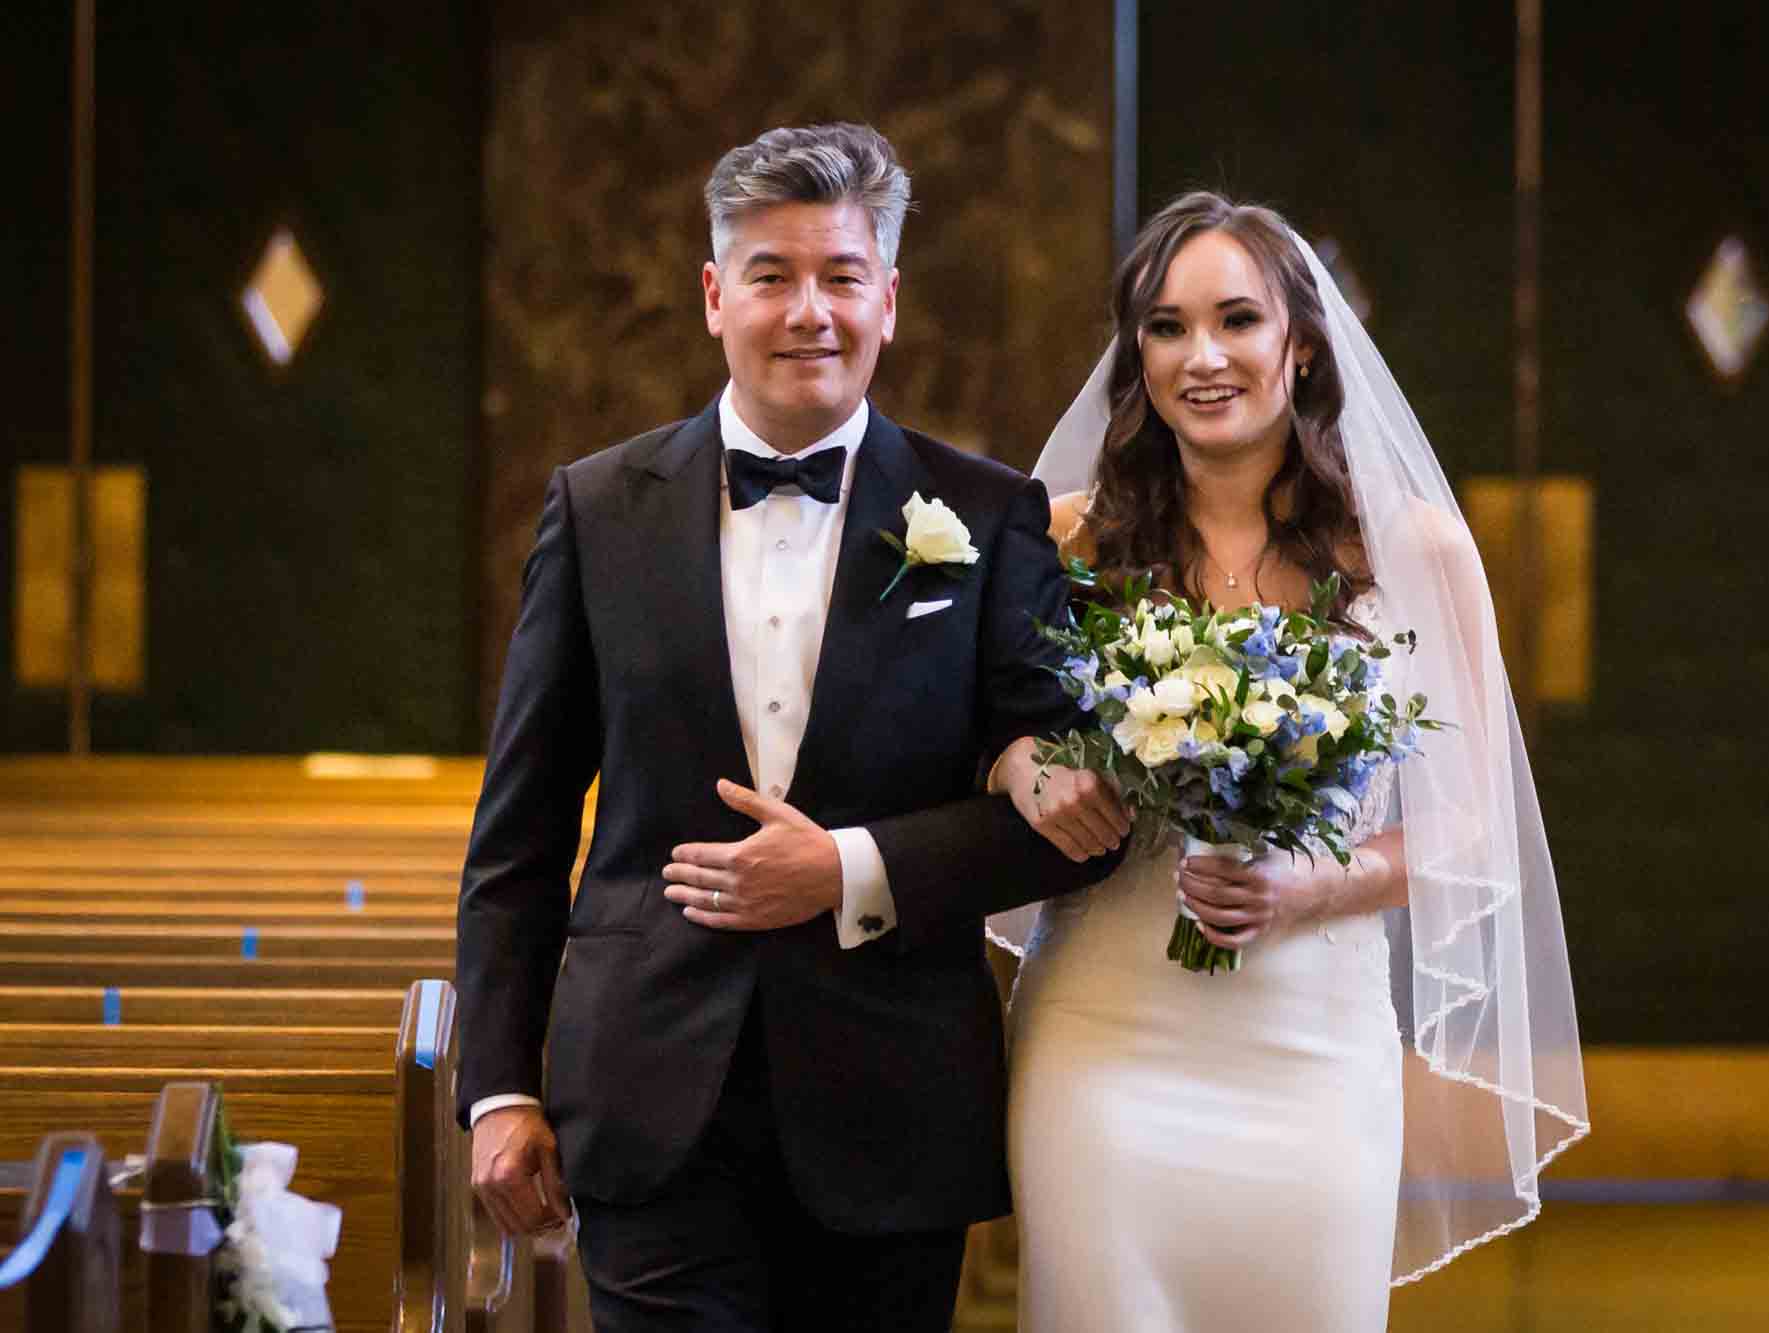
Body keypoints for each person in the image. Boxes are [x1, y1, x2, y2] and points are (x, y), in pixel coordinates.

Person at [454, 122, 1121, 1333]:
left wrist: (848, 870)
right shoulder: (597, 507)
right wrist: (496, 1083)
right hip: (646, 1092)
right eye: (770, 274)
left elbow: (1074, 821)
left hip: (891, 1102)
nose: (807, 310)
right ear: (715, 296)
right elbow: (522, 827)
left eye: (840, 276)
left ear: (889, 300)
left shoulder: (988, 515)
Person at [985, 192, 1591, 1331]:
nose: (1200, 356)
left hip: (1310, 1046)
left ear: (1299, 344)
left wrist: (1319, 883)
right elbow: (976, 737)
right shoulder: (1064, 536)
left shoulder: (1411, 547)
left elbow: (1473, 820)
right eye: (1163, 327)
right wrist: (1030, 769)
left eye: (1235, 321)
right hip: (1103, 1037)